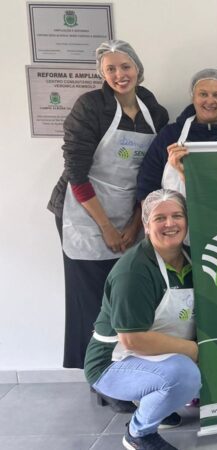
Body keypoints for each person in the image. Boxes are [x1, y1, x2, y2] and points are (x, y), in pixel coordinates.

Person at [47, 39, 168, 370]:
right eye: (110, 69)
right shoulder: (90, 107)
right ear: (101, 73)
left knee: (127, 295)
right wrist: (106, 227)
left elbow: (150, 172)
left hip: (131, 211)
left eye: (125, 67)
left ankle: (129, 369)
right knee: (92, 299)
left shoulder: (153, 111)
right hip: (85, 212)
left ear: (138, 70)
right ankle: (99, 374)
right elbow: (76, 173)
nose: (119, 74)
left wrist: (132, 225)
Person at [85, 189, 199, 450]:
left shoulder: (192, 259)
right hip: (113, 363)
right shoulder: (134, 271)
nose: (170, 224)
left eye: (177, 216)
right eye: (160, 218)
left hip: (157, 355)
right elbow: (133, 339)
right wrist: (195, 350)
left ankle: (154, 402)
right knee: (186, 375)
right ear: (146, 226)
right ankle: (139, 433)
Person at [136, 68, 217, 200]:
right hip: (174, 219)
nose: (210, 101)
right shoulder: (170, 134)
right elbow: (147, 185)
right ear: (193, 98)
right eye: (203, 94)